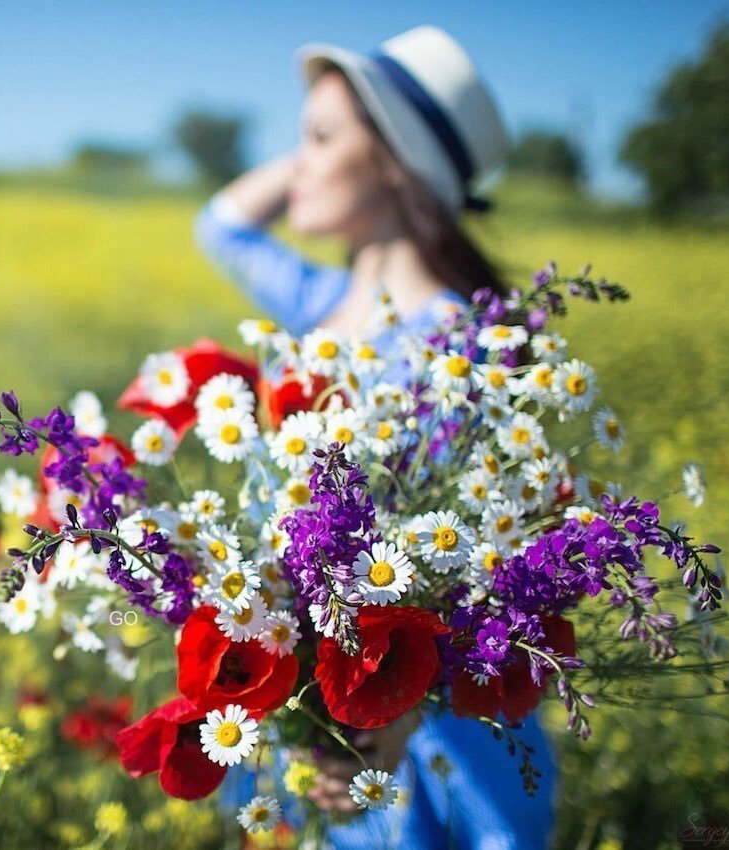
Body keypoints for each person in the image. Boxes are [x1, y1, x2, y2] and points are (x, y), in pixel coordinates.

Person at [195, 25, 557, 850]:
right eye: (299, 142)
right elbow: (220, 224)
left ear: (393, 163)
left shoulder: (463, 347)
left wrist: (390, 715)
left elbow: (473, 563)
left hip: (409, 730)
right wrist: (326, 155)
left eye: (320, 138)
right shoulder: (318, 305)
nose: (299, 168)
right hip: (310, 699)